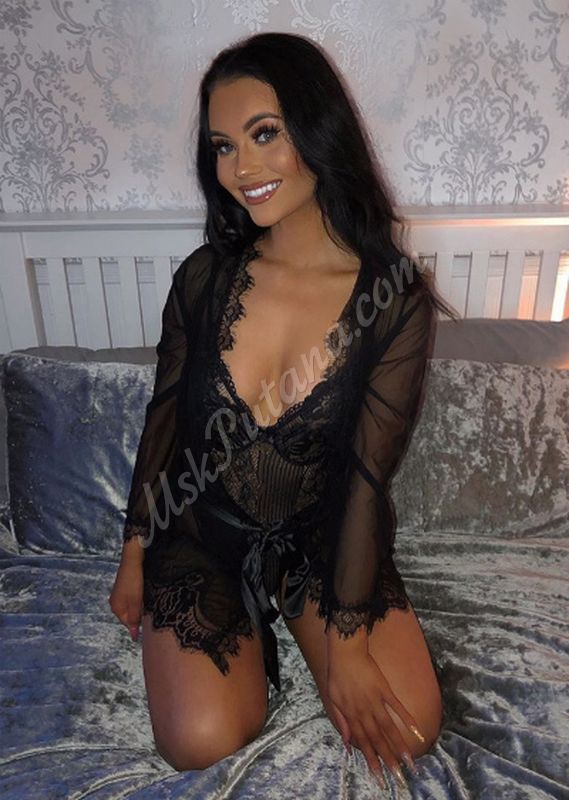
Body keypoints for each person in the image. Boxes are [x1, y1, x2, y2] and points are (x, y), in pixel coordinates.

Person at [108, 31, 458, 790]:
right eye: (223, 146)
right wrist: (134, 553)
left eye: (264, 134)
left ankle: (293, 607)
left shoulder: (392, 299)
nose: (242, 168)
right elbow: (165, 422)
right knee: (200, 740)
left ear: (317, 128)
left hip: (319, 535)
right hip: (199, 531)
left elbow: (365, 477)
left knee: (411, 722)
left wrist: (348, 646)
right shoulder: (203, 279)